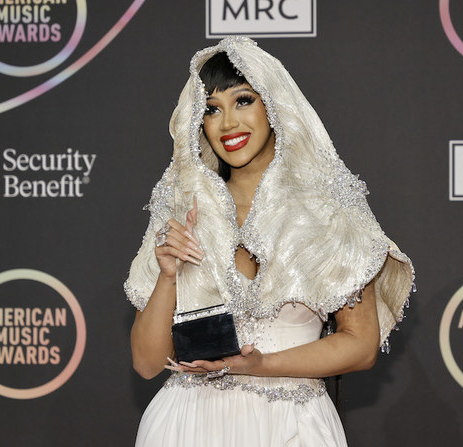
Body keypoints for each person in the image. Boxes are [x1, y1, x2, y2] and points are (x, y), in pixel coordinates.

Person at [124, 37, 414, 446]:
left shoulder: (328, 213)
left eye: (242, 101)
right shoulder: (182, 212)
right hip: (185, 426)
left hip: (292, 425)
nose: (227, 124)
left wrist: (259, 365)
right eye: (211, 109)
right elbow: (147, 363)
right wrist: (168, 276)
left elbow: (360, 346)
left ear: (274, 105)